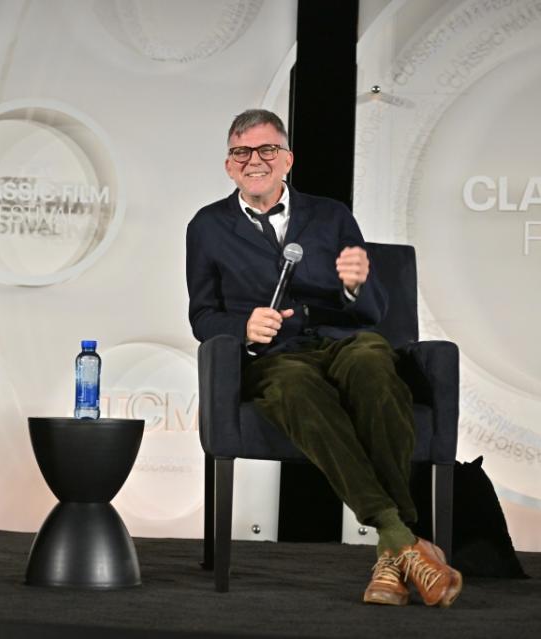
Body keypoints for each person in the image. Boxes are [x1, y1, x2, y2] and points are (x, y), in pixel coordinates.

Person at [185, 109, 462, 607]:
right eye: (241, 152)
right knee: (294, 388)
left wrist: (356, 285)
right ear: (229, 166)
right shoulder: (207, 227)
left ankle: (392, 550)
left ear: (287, 159)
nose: (255, 161)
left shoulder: (331, 215)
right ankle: (400, 539)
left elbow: (376, 311)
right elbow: (203, 316)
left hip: (345, 339)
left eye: (267, 149)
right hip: (278, 356)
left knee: (375, 365)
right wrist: (241, 327)